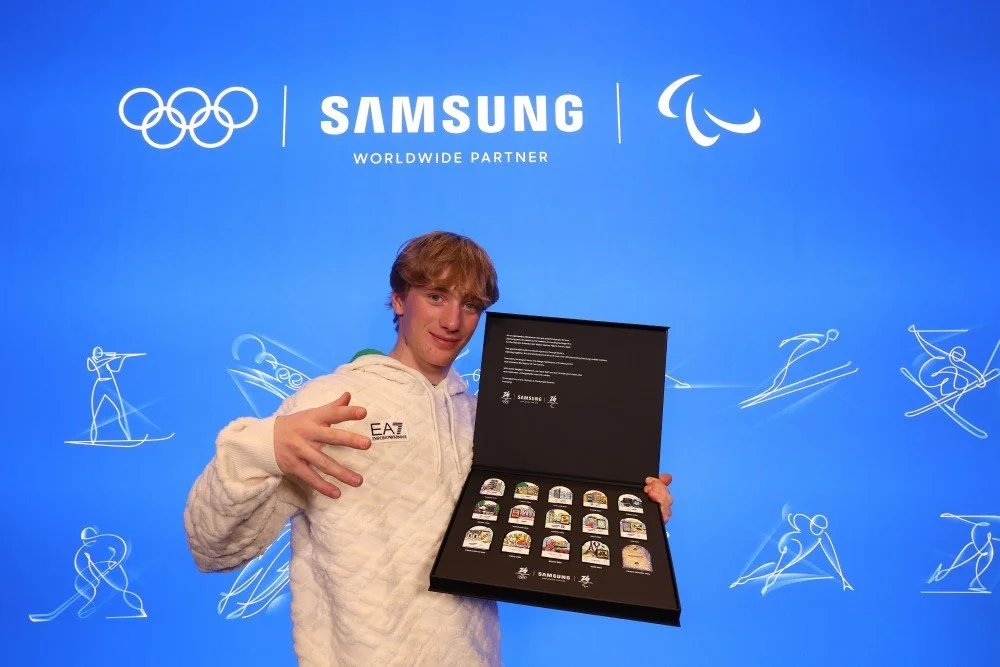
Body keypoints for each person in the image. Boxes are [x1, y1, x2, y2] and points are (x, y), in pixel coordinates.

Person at [184, 231, 674, 666]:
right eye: (436, 296)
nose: (453, 320)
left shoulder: (488, 419)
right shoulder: (327, 403)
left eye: (471, 305)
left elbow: (546, 525)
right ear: (399, 299)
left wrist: (628, 511)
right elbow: (214, 548)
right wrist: (259, 448)